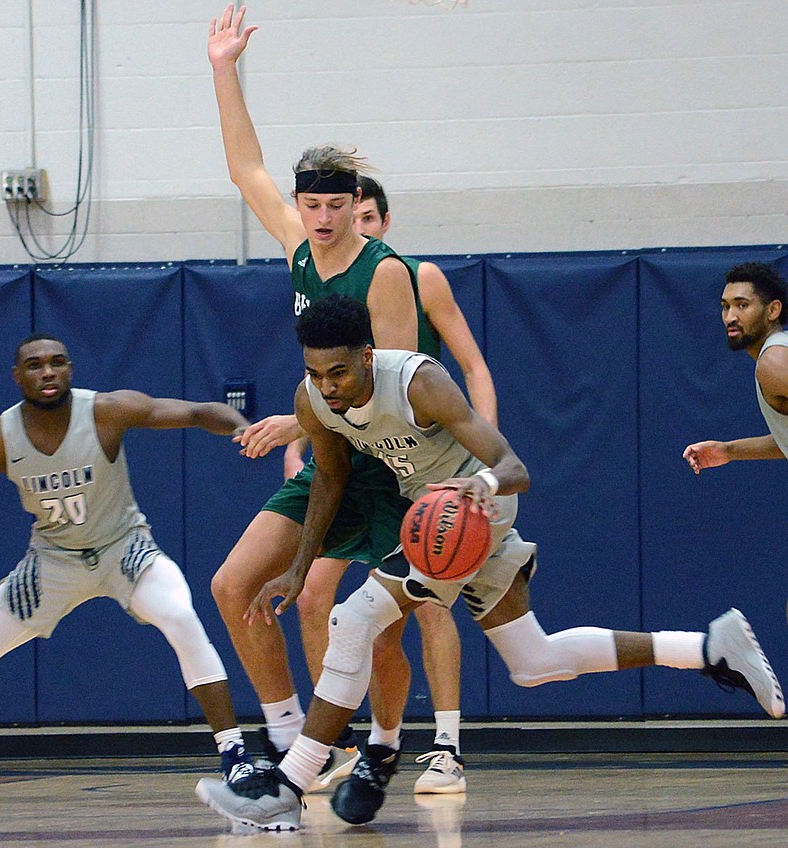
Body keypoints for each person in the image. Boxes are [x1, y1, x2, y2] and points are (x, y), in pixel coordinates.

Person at [195, 294, 784, 832]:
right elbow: (330, 477)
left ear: (368, 356)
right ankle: (708, 648)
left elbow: (514, 467)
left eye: (339, 372)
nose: (327, 386)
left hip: (473, 507)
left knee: (352, 620)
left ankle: (287, 785)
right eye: (315, 373)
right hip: (435, 520)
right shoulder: (315, 399)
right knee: (535, 661)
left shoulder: (420, 384)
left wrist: (474, 486)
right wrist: (299, 567)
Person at [208, 3, 447, 791]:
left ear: (355, 206)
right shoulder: (294, 244)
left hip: (386, 467)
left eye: (332, 206)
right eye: (309, 205)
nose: (317, 218)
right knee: (233, 585)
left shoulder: (382, 272)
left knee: (364, 627)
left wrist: (300, 415)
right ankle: (286, 738)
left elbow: (392, 390)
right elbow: (246, 170)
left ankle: (382, 743)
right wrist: (223, 68)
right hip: (330, 451)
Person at [289, 174, 499, 794]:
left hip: (428, 462)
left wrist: (487, 455)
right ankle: (351, 746)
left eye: (368, 218)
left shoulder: (414, 276)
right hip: (364, 453)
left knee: (428, 601)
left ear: (373, 219)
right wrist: (303, 436)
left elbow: (471, 366)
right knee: (320, 600)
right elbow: (333, 395)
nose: (358, 229)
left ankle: (445, 745)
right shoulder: (322, 283)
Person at [0, 334, 256, 791]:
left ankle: (234, 752)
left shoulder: (106, 411)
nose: (47, 372)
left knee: (180, 617)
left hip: (125, 549)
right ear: (17, 376)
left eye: (57, 363)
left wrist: (241, 425)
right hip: (52, 562)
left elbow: (193, 412)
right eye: (35, 365)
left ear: (71, 368)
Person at [683, 262, 788, 606]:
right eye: (725, 307)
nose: (730, 316)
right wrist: (729, 450)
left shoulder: (772, 363)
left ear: (773, 310)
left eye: (743, 305)